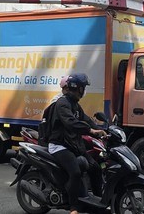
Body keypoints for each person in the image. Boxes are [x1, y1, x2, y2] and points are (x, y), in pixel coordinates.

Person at [47, 73, 106, 214]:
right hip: (60, 146)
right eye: (84, 87)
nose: (85, 90)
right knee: (75, 172)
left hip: (73, 145)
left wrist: (103, 130)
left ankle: (98, 203)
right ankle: (74, 207)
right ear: (78, 88)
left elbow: (87, 120)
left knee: (96, 168)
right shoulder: (62, 104)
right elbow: (71, 123)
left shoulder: (75, 105)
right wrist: (90, 130)